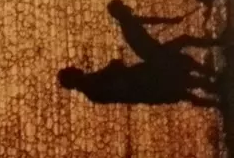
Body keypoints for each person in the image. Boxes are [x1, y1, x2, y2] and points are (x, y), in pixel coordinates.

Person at [57, 59, 219, 107]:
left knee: (183, 90)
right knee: (180, 83)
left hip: (141, 87)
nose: (74, 67)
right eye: (71, 70)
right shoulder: (90, 86)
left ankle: (217, 98)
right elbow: (117, 85)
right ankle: (217, 90)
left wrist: (113, 68)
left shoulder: (89, 87)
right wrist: (115, 67)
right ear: (72, 79)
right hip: (142, 83)